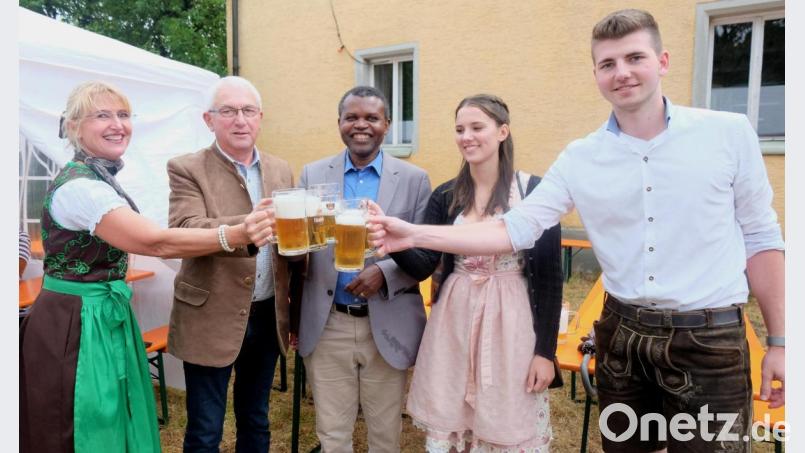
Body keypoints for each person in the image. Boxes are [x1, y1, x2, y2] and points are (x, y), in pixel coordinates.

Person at [370, 9, 784, 453]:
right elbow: (513, 230)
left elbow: (761, 238)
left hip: (708, 340)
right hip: (622, 340)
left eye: (634, 58)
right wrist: (412, 235)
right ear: (596, 74)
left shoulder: (727, 133)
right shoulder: (580, 157)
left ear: (662, 62)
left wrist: (780, 340)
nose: (621, 73)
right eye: (608, 64)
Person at [19, 80, 273, 453]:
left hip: (102, 313)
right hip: (76, 321)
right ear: (73, 127)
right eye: (102, 115)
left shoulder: (97, 178)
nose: (117, 124)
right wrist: (236, 234)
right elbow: (156, 241)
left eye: (123, 115)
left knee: (111, 416)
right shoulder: (81, 188)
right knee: (81, 422)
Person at [389, 94, 563, 452]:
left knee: (506, 414)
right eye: (459, 129)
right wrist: (397, 244)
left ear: (503, 131)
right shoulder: (448, 194)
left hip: (510, 320)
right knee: (451, 410)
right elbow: (424, 263)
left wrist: (545, 352)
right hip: (454, 317)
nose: (466, 136)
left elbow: (548, 279)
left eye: (476, 127)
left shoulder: (534, 191)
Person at [295, 86, 431, 452]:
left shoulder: (415, 179)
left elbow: (424, 252)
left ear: (386, 124)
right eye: (351, 117)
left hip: (386, 321)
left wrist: (384, 273)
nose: (361, 125)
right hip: (328, 323)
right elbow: (302, 246)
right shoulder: (312, 173)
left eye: (371, 118)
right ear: (339, 123)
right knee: (331, 433)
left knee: (385, 434)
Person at [167, 75, 295, 452]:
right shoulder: (187, 168)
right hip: (211, 314)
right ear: (209, 120)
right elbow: (184, 228)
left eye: (248, 111)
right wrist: (244, 227)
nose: (240, 120)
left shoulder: (281, 169)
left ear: (260, 117)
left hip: (266, 312)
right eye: (228, 111)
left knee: (256, 418)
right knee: (206, 428)